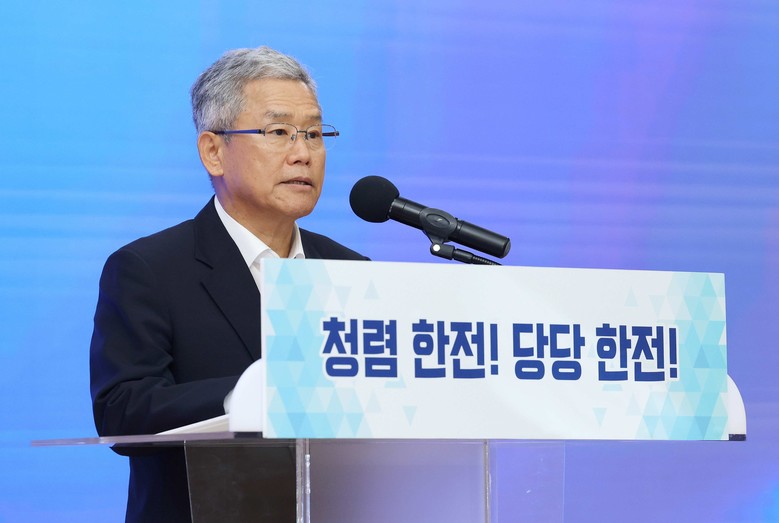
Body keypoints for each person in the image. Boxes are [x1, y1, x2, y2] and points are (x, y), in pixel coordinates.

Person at [89, 46, 367, 522]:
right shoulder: (149, 268)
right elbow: (123, 411)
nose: (303, 153)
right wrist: (255, 391)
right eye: (278, 132)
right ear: (213, 152)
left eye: (314, 134)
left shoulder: (351, 271)